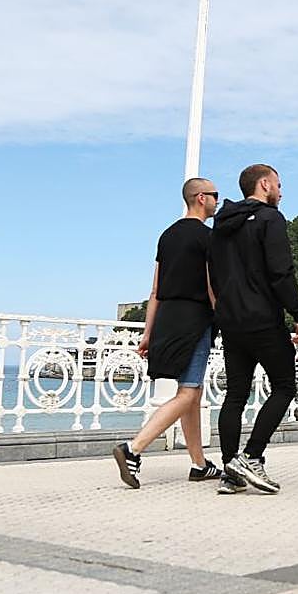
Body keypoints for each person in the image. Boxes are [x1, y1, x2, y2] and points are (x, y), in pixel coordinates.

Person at [112, 178, 222, 489]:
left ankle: (199, 464)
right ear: (201, 198)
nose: (217, 200)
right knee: (188, 392)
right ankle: (132, 450)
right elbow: (212, 286)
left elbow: (155, 289)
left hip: (167, 319)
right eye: (214, 195)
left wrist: (148, 332)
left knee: (193, 393)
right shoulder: (207, 237)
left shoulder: (168, 235)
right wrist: (224, 318)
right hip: (195, 318)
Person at [209, 164, 298, 494]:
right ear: (264, 184)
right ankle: (251, 456)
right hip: (263, 319)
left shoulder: (221, 225)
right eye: (279, 185)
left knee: (235, 394)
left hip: (231, 321)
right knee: (283, 385)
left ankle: (229, 470)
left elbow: (214, 274)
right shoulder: (270, 219)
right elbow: (281, 271)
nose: (281, 191)